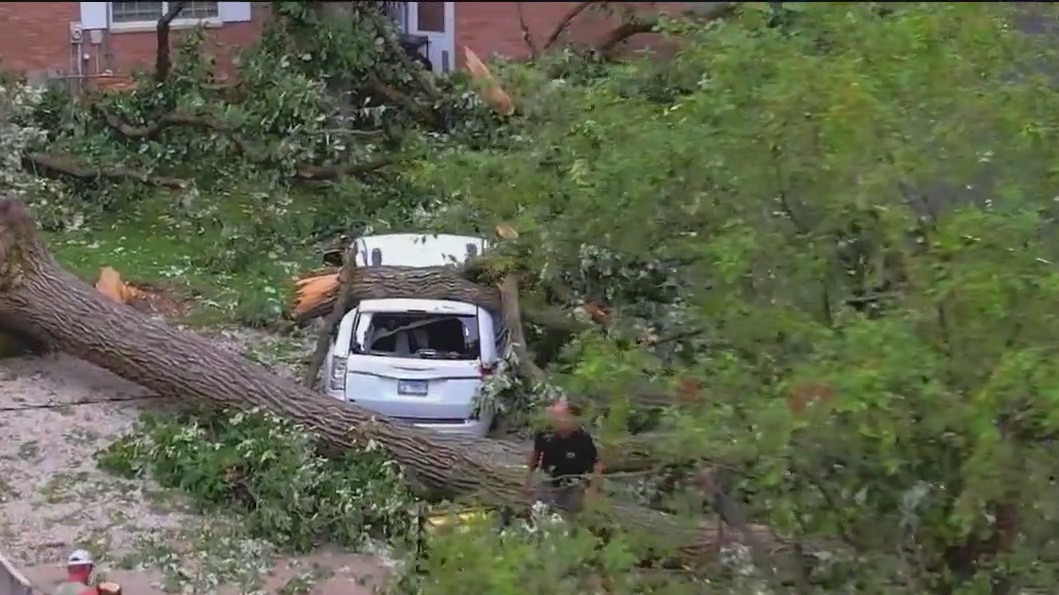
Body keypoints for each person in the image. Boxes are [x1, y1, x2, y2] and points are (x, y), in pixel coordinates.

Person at [525, 400, 603, 519]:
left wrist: (593, 489)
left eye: (560, 416)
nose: (555, 420)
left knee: (570, 514)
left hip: (573, 484)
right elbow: (535, 456)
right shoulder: (544, 433)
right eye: (554, 416)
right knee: (537, 510)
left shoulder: (583, 439)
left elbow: (597, 464)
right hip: (549, 480)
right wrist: (527, 480)